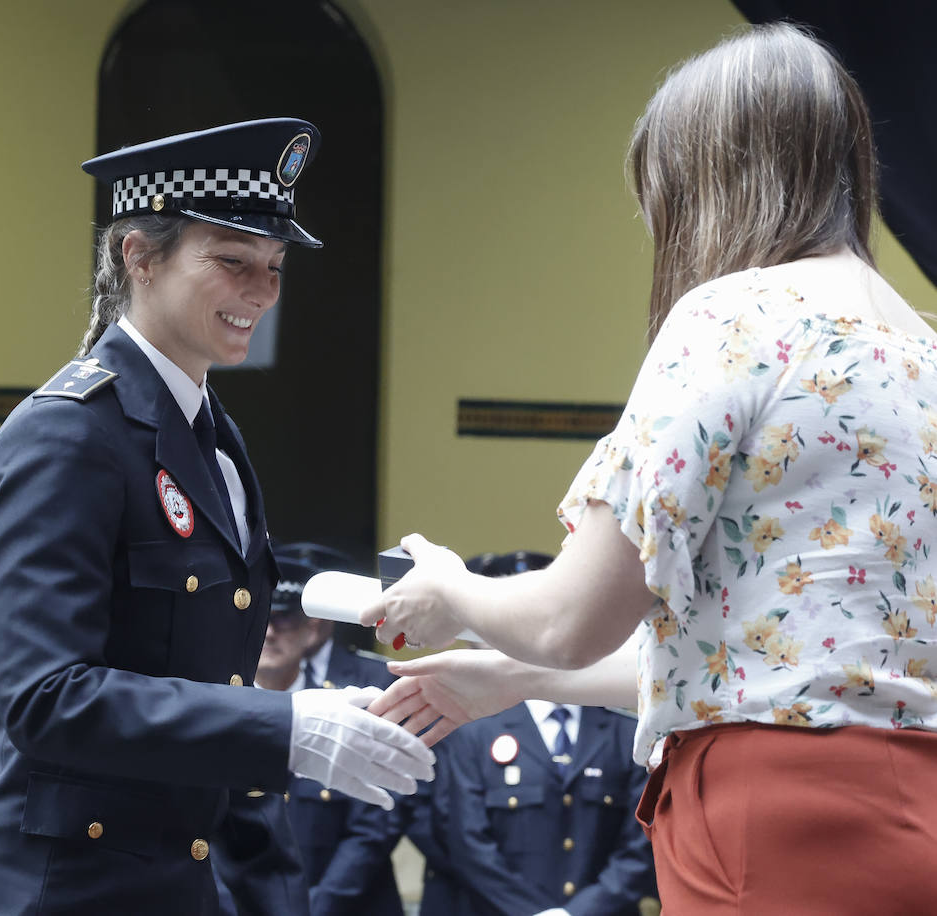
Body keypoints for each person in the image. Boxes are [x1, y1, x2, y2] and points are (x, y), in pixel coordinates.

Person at [365, 23, 937, 914]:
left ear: (709, 181)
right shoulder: (922, 350)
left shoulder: (735, 316)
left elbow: (568, 619)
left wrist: (454, 592)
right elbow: (780, 651)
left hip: (769, 818)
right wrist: (519, 681)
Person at [0, 118, 434, 916]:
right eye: (232, 262)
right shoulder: (69, 430)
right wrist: (287, 727)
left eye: (274, 266)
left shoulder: (212, 437)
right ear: (140, 255)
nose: (263, 290)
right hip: (54, 890)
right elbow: (43, 698)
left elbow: (211, 691)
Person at [416, 553, 656, 916]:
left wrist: (575, 914)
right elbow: (468, 843)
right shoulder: (473, 728)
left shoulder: (624, 727)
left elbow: (641, 843)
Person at [253, 551, 405, 916]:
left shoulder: (342, 706)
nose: (271, 632)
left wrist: (313, 908)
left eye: (285, 619)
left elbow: (373, 822)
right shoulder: (220, 705)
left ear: (312, 629)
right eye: (262, 619)